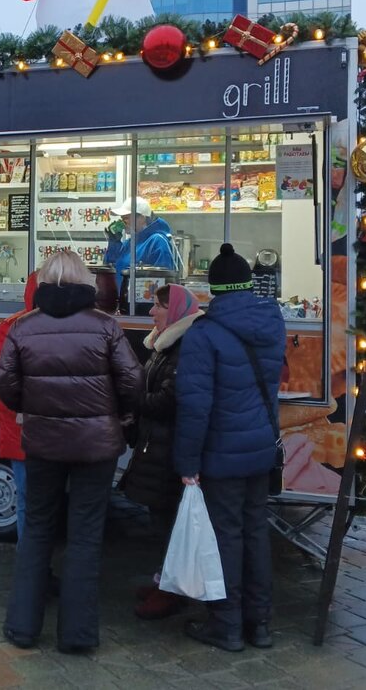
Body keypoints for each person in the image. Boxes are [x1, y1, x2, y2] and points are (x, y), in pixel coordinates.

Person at [0, 250, 142, 654]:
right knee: (85, 536)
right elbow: (133, 381)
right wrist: (118, 412)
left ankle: (23, 628)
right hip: (97, 447)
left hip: (42, 443)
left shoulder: (23, 328)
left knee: (37, 532)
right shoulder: (105, 326)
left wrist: (32, 406)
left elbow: (4, 384)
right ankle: (77, 636)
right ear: (86, 282)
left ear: (43, 281)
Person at [173, 243, 286, 652]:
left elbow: (194, 404)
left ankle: (227, 626)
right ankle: (261, 624)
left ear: (214, 289)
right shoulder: (272, 321)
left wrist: (186, 461)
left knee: (226, 537)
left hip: (221, 454)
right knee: (256, 533)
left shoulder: (203, 334)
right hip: (260, 446)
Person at [119, 283, 203, 620]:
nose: (151, 311)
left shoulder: (183, 346)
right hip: (159, 444)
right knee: (162, 521)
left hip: (170, 450)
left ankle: (171, 592)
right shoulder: (164, 343)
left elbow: (170, 400)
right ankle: (164, 582)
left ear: (177, 311)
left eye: (158, 306)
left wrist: (130, 399)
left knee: (168, 522)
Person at [0, 272, 39, 542]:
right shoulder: (13, 326)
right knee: (32, 501)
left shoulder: (13, 325)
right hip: (27, 433)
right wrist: (18, 409)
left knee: (35, 503)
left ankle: (32, 569)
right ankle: (32, 569)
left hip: (43, 433)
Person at [104, 196, 177, 273]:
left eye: (126, 218)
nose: (122, 222)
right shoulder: (129, 243)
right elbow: (110, 268)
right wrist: (114, 243)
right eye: (122, 218)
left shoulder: (157, 241)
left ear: (142, 218)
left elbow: (162, 277)